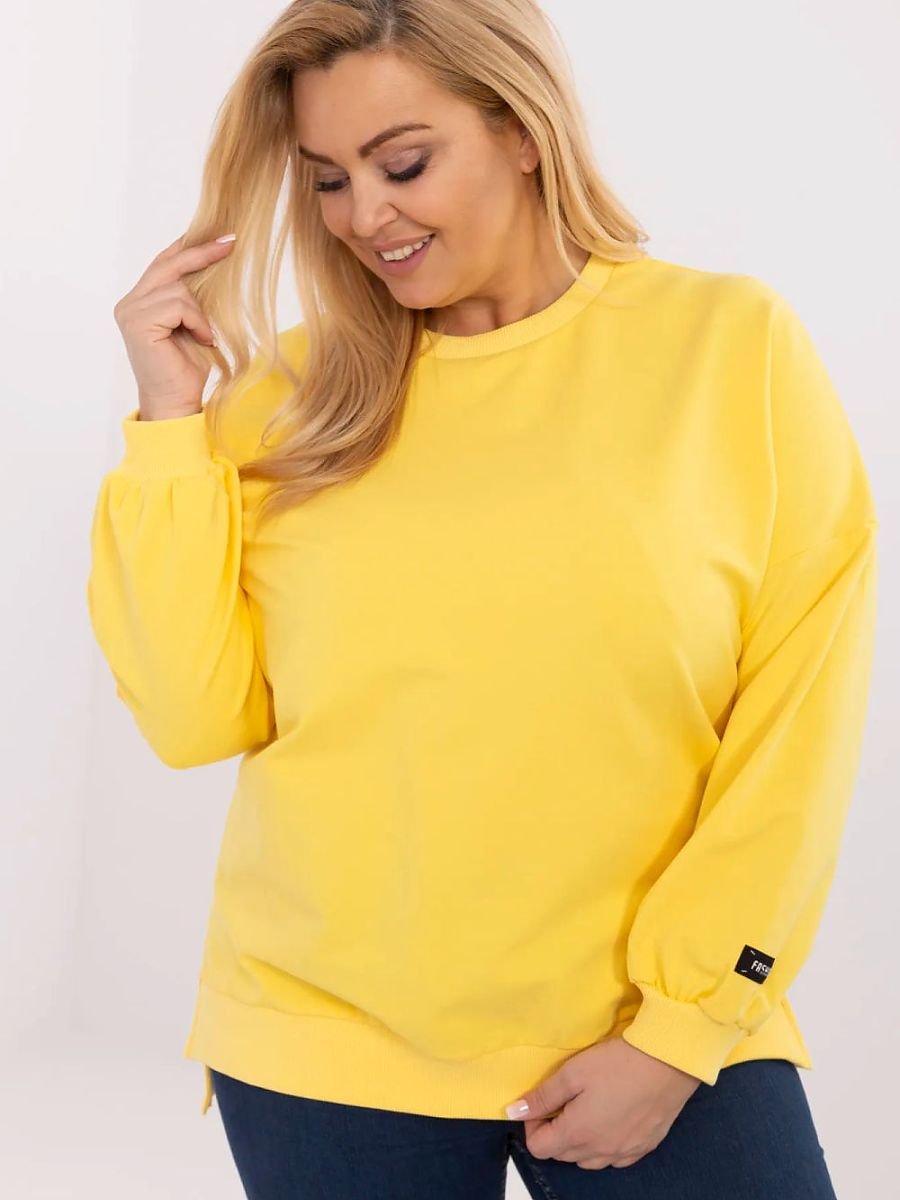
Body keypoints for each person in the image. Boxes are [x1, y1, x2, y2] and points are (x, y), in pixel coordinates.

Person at [87, 1, 878, 1196]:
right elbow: (193, 720)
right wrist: (167, 426)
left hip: (659, 1024)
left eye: (404, 164)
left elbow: (798, 721)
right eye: (328, 180)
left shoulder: (731, 347)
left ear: (521, 128)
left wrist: (683, 1026)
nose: (365, 215)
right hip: (324, 1042)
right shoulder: (287, 401)